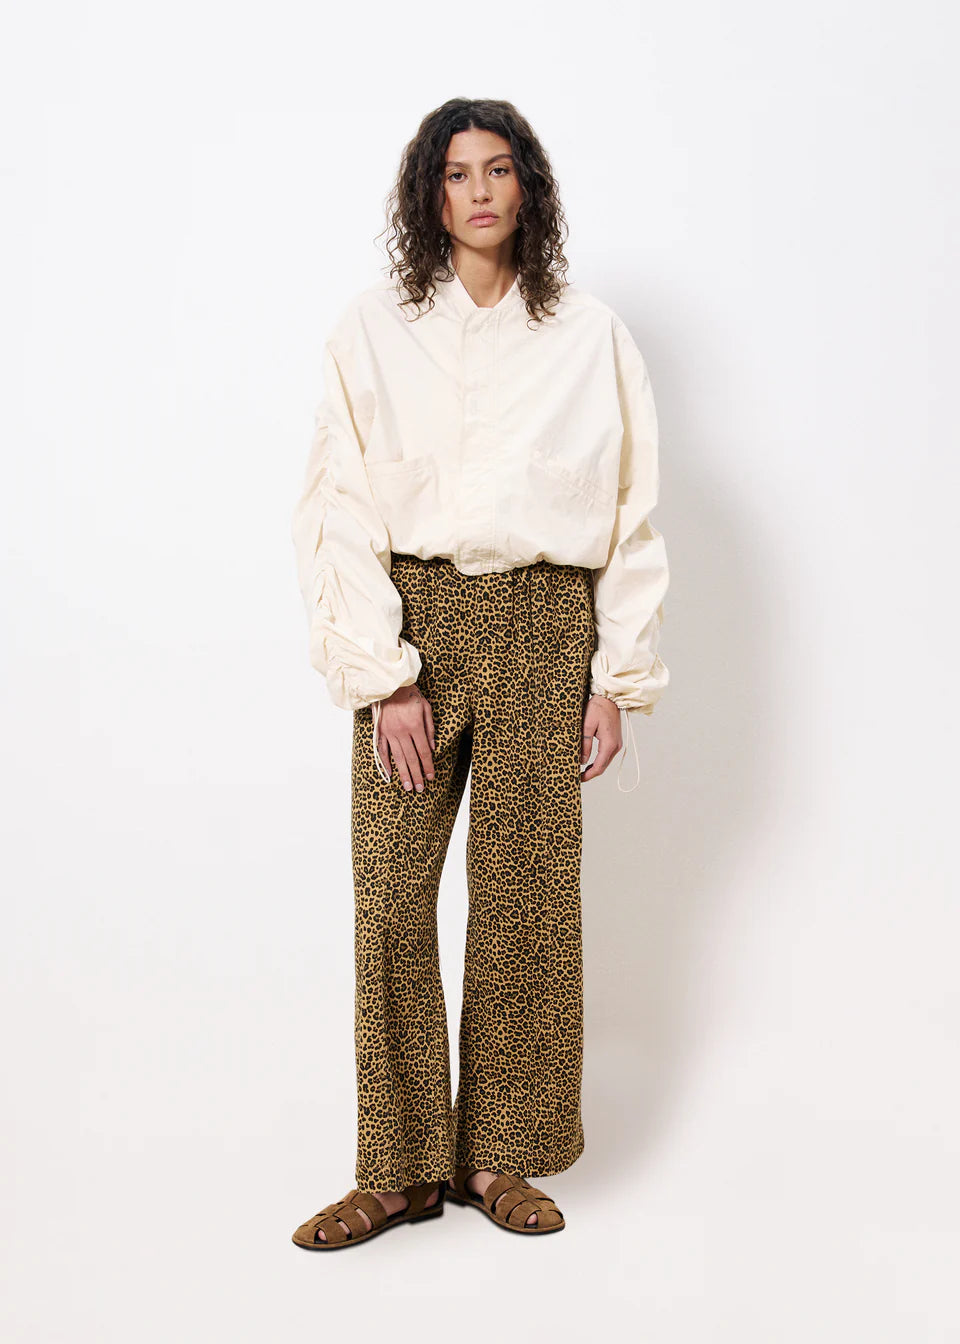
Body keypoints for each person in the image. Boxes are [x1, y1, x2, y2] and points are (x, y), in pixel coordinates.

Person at [289, 97, 669, 1249]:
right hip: (414, 619)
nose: (481, 191)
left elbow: (632, 512)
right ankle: (399, 1168)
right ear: (430, 195)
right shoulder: (374, 329)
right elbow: (336, 502)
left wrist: (619, 676)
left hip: (547, 624)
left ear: (528, 188)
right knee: (390, 896)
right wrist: (383, 676)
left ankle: (499, 1157)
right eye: (457, 174)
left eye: (499, 170)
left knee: (524, 902)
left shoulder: (589, 334)